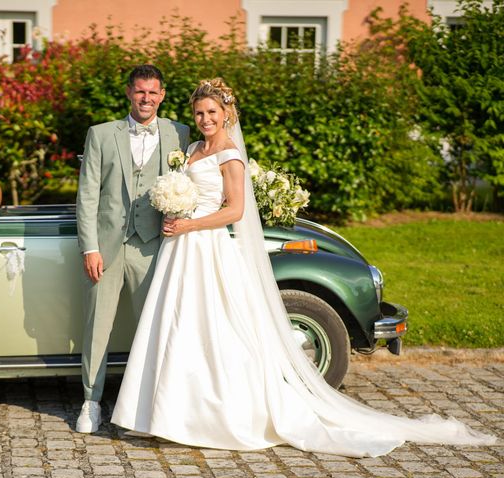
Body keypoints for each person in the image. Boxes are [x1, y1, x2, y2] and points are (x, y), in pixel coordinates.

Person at [110, 78, 497, 456]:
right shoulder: (192, 148)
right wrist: (173, 210)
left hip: (206, 247)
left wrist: (189, 223)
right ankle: (169, 416)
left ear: (227, 113)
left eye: (212, 111)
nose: (205, 119)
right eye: (199, 112)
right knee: (176, 325)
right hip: (181, 249)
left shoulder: (230, 155)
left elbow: (235, 210)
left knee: (212, 328)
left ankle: (215, 415)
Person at [75, 65, 189, 433]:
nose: (147, 99)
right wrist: (89, 248)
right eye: (140, 92)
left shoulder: (180, 133)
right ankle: (91, 402)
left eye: (153, 92)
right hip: (107, 247)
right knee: (98, 327)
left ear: (163, 95)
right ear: (129, 92)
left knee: (152, 328)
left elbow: (194, 186)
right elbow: (88, 193)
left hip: (153, 245)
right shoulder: (101, 134)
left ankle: (146, 406)